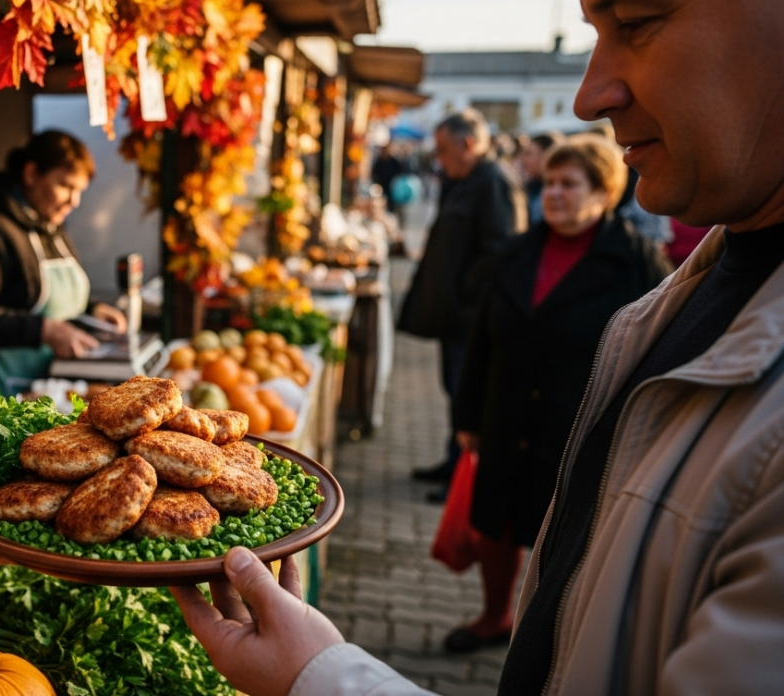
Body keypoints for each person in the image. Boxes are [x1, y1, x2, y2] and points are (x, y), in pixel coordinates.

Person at [175, 0, 784, 693]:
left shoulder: (646, 277)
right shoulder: (691, 292)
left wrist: (318, 678)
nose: (590, 96)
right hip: (503, 426)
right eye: (593, 33)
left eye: (639, 20)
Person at [445, 134, 671, 653]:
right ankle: (495, 616)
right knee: (498, 523)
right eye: (549, 182)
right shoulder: (517, 251)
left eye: (569, 184)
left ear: (604, 190)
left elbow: (657, 354)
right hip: (506, 413)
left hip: (580, 424)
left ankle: (550, 632)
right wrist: (467, 415)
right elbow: (481, 338)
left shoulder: (637, 263)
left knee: (568, 532)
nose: (554, 193)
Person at [0, 131, 127, 436]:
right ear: (31, 174)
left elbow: (40, 294)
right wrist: (46, 330)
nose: (74, 200)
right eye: (65, 186)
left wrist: (93, 309)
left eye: (79, 190)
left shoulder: (51, 226)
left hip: (34, 391)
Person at [398, 109, 526, 498]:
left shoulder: (493, 182)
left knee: (468, 396)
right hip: (456, 317)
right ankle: (452, 462)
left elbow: (502, 250)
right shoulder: (469, 179)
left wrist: (465, 293)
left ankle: (464, 482)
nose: (438, 158)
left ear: (467, 144)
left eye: (442, 149)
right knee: (455, 393)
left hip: (472, 318)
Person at [518, 131, 566, 227]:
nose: (524, 160)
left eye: (529, 154)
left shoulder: (561, 192)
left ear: (547, 155)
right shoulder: (528, 187)